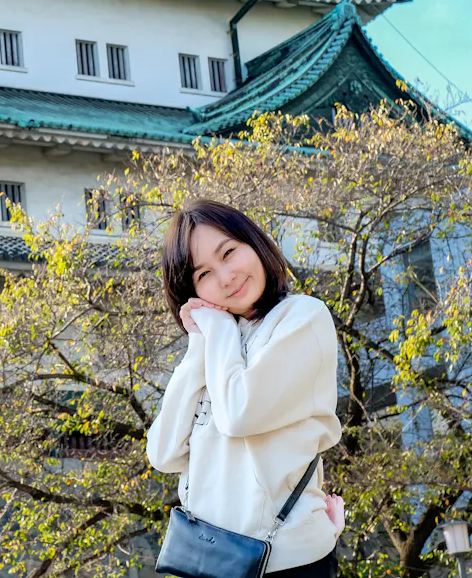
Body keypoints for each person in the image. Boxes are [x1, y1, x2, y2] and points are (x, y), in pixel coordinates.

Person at [146, 200, 345, 578]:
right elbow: (164, 453)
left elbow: (239, 414)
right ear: (191, 289)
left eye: (228, 253)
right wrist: (198, 345)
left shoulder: (302, 317)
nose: (225, 277)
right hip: (210, 561)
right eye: (204, 273)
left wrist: (217, 328)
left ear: (254, 243)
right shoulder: (216, 345)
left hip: (287, 562)